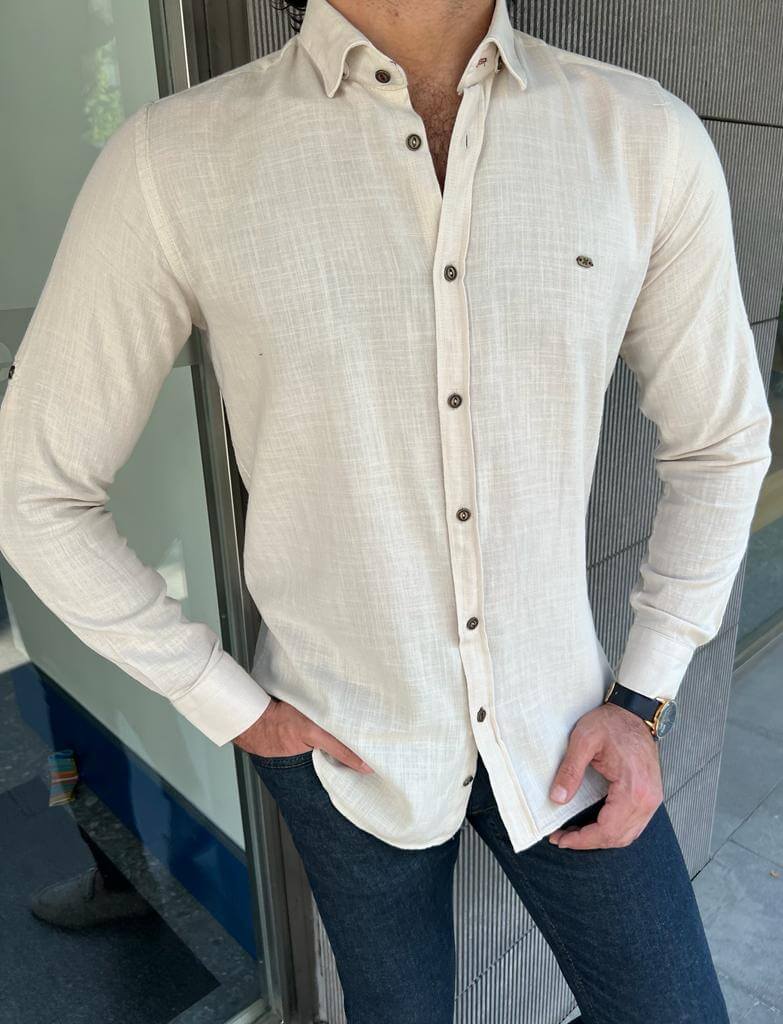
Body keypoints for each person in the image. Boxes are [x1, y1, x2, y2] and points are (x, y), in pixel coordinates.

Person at [0, 0, 771, 1019]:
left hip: (568, 727)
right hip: (335, 745)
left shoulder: (641, 136)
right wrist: (226, 704)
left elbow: (721, 444)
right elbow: (34, 487)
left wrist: (645, 699)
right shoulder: (174, 161)